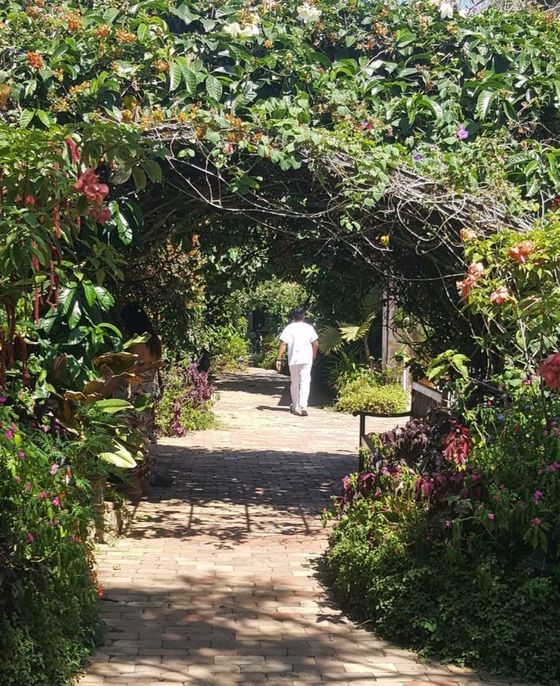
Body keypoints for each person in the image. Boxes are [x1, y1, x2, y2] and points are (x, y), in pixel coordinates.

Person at [120, 304, 164, 494]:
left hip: (137, 394)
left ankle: (135, 484)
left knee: (132, 437)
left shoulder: (137, 344)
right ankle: (141, 481)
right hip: (149, 393)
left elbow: (132, 370)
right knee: (144, 435)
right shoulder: (154, 342)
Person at [275, 308, 318, 417]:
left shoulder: (289, 328)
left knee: (295, 382)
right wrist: (313, 355)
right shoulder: (309, 328)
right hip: (306, 359)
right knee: (305, 382)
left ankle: (295, 405)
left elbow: (283, 344)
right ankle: (304, 406)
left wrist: (279, 359)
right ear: (303, 316)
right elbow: (316, 343)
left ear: (293, 317)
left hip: (293, 359)